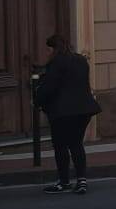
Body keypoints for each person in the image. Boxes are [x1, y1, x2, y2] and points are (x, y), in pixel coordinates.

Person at [37, 35, 101, 195]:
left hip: (62, 112)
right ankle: (81, 180)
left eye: (48, 49)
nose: (46, 52)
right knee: (76, 144)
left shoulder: (56, 63)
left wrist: (38, 101)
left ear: (53, 48)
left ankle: (64, 181)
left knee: (60, 146)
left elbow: (49, 88)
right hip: (83, 110)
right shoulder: (80, 60)